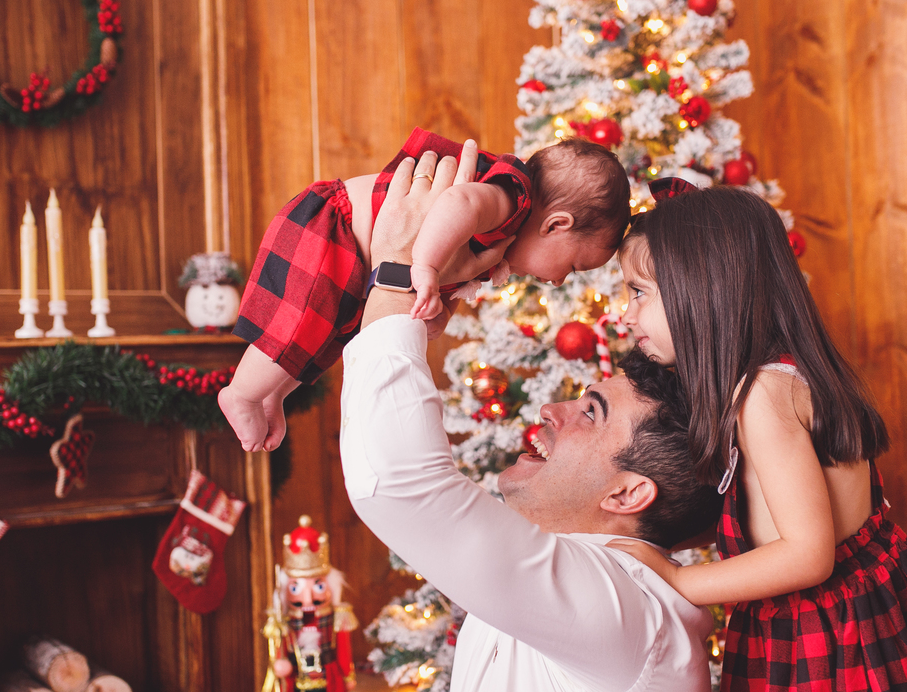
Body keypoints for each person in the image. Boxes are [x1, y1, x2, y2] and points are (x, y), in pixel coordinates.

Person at [609, 181, 907, 692]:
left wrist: (675, 582)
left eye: (638, 292)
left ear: (705, 289)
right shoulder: (777, 375)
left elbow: (806, 553)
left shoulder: (762, 396)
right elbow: (764, 512)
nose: (626, 314)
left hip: (826, 640)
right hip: (867, 611)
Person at [337, 151, 722, 692]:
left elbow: (399, 486)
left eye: (590, 412)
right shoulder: (598, 583)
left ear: (628, 494)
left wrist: (395, 277)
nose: (552, 411)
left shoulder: (622, 608)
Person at [219, 128, 630, 453]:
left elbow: (453, 274)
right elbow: (458, 202)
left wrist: (438, 308)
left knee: (324, 337)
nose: (560, 281)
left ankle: (270, 392)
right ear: (555, 225)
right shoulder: (511, 200)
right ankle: (241, 393)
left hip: (359, 260)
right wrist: (425, 267)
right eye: (573, 266)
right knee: (297, 325)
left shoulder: (500, 248)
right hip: (336, 224)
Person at [264, 515, 358, 692]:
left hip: (328, 681)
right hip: (297, 683)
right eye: (296, 588)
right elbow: (279, 649)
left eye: (317, 585)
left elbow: (344, 647)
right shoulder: (284, 622)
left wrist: (348, 674)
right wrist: (279, 664)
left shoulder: (336, 617)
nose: (308, 597)